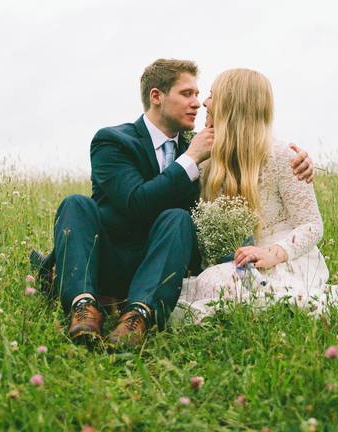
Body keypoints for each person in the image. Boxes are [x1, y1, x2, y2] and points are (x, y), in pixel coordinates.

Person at [47, 59, 314, 350]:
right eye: (187, 94)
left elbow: (245, 155)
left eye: (200, 95)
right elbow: (136, 201)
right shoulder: (114, 141)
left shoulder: (198, 147)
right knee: (75, 204)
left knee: (177, 217)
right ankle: (83, 306)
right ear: (157, 96)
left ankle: (138, 316)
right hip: (109, 258)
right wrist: (190, 159)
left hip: (161, 266)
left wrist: (304, 162)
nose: (198, 104)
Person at [172, 68, 338, 324]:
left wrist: (272, 253)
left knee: (224, 285)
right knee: (208, 282)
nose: (204, 102)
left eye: (212, 95)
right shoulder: (204, 154)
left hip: (282, 259)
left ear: (233, 104)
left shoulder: (283, 156)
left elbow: (312, 225)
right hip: (233, 263)